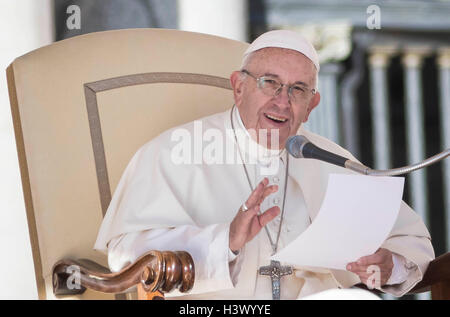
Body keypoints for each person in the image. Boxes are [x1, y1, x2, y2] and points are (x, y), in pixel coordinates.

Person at [94, 30, 434, 299]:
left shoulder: (328, 159)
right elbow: (124, 255)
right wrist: (224, 240)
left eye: (298, 90)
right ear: (238, 87)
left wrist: (391, 266)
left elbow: (411, 242)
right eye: (269, 82)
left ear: (311, 105)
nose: (282, 101)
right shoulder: (172, 151)